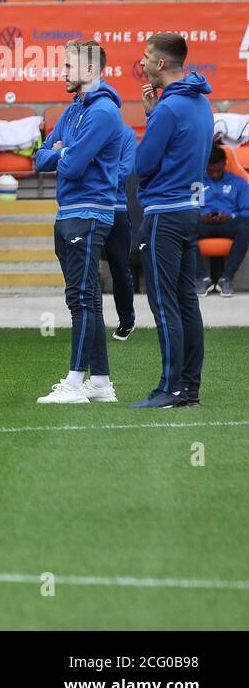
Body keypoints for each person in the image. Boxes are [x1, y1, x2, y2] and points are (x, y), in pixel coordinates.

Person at [32, 39, 124, 405]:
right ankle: (100, 382)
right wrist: (59, 154)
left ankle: (74, 382)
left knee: (82, 298)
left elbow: (68, 164)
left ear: (89, 70)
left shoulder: (102, 113)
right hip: (69, 213)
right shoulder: (72, 110)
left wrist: (61, 153)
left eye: (68, 66)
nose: (62, 72)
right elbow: (40, 159)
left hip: (88, 213)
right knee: (85, 300)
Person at [129, 32, 214, 409]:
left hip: (164, 213)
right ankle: (189, 390)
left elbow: (143, 165)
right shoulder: (200, 103)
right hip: (190, 211)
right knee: (186, 303)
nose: (143, 62)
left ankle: (170, 388)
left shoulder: (168, 108)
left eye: (147, 56)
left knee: (164, 303)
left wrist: (151, 118)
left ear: (160, 64)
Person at [195, 143, 249, 297]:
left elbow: (246, 210)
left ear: (225, 164)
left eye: (218, 171)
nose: (215, 175)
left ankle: (226, 278)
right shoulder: (197, 183)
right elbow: (190, 208)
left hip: (229, 222)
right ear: (206, 166)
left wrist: (230, 216)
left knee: (245, 228)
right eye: (211, 171)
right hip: (203, 222)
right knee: (185, 229)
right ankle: (202, 278)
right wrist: (199, 215)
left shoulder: (238, 182)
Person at [104, 119, 137, 340]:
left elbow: (124, 172)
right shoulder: (82, 127)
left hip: (115, 208)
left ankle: (127, 319)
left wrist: (90, 176)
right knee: (80, 270)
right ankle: (86, 321)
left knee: (119, 267)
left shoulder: (126, 134)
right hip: (84, 208)